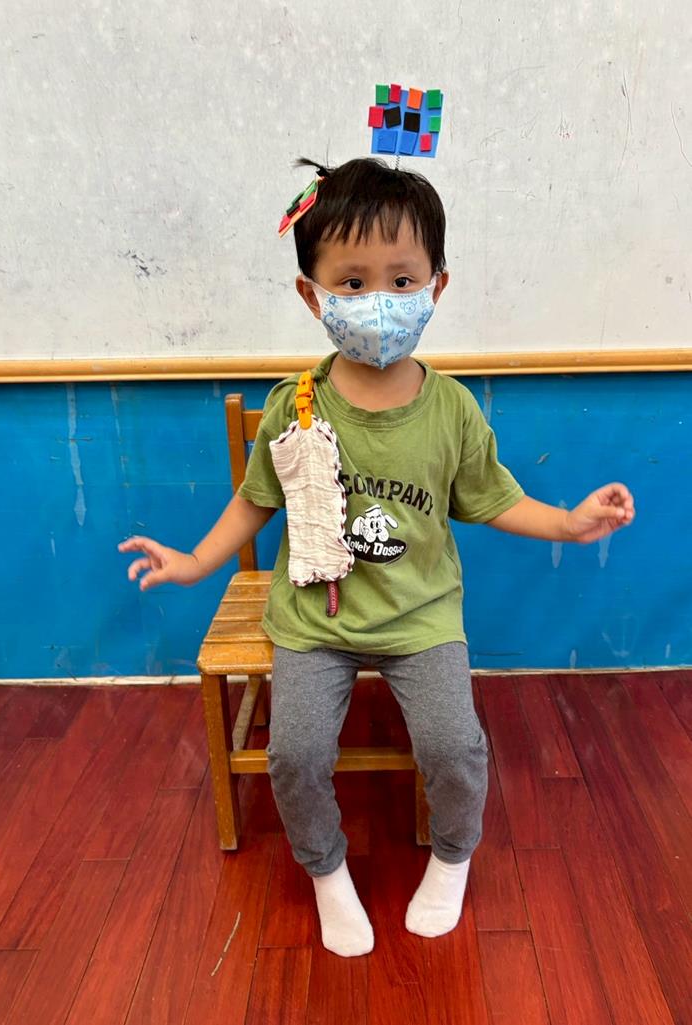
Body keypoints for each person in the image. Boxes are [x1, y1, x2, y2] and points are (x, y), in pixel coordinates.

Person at [118, 157, 635, 958]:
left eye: (401, 279)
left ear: (436, 285)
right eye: (352, 283)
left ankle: (452, 857)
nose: (378, 302)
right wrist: (194, 560)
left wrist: (569, 523)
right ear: (311, 295)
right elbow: (256, 499)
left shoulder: (451, 408)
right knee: (293, 753)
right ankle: (326, 872)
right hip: (314, 619)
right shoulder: (296, 405)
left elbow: (493, 497)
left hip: (420, 616)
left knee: (454, 747)